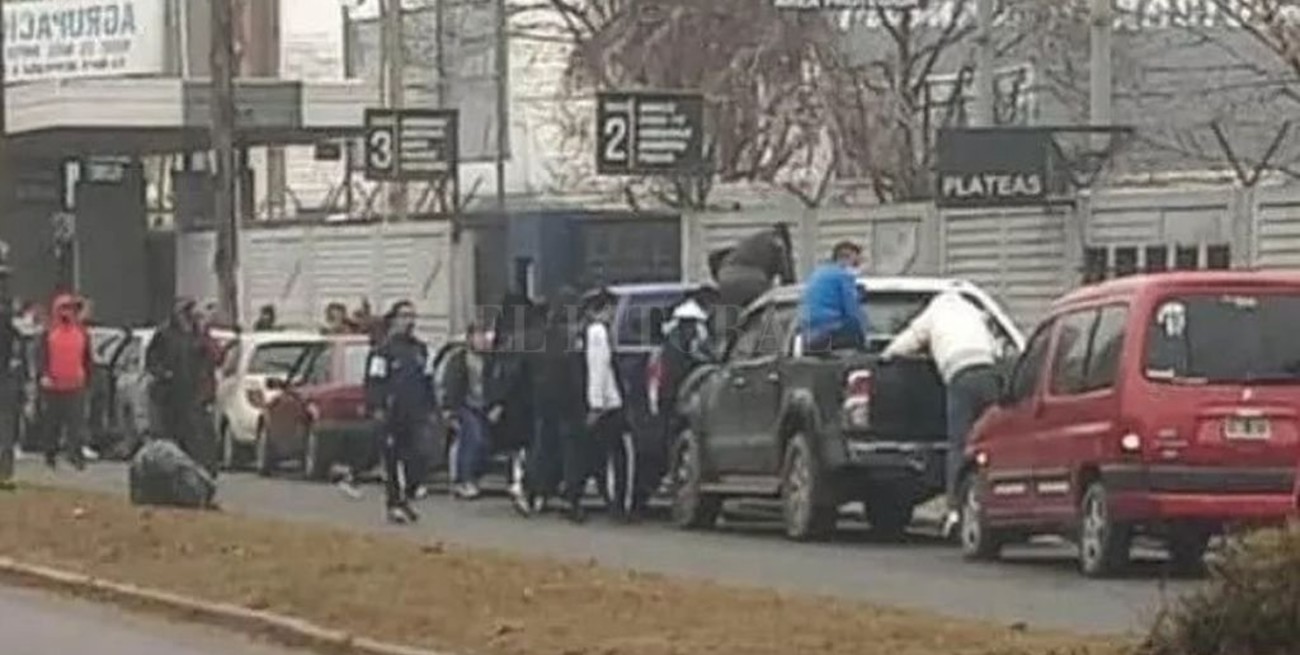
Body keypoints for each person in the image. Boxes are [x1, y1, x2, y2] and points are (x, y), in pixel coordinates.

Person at [880, 290, 1001, 538]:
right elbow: (996, 348)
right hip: (989, 374)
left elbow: (910, 340)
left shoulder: (934, 313)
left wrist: (886, 354)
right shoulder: (973, 313)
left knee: (959, 445)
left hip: (960, 377)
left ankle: (955, 511)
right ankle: (994, 502)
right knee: (990, 441)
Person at [365, 300, 435, 524]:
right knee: (394, 460)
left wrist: (432, 408)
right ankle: (395, 503)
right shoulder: (383, 351)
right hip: (392, 414)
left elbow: (428, 381)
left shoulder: (420, 349)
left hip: (416, 413)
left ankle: (408, 495)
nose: (409, 321)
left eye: (412, 316)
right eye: (404, 316)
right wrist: (377, 407)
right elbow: (374, 382)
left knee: (419, 457)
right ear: (394, 319)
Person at [576, 288, 637, 523]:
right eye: (611, 309)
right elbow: (598, 368)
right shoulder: (598, 333)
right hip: (609, 404)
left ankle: (606, 499)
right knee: (617, 456)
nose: (613, 314)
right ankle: (617, 503)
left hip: (605, 402)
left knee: (600, 454)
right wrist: (597, 404)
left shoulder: (592, 332)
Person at [146, 299, 215, 474]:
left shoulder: (197, 334)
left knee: (195, 434)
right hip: (169, 394)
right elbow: (152, 360)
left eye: (190, 311)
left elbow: (210, 360)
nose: (187, 316)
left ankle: (199, 468)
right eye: (184, 311)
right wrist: (163, 373)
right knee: (170, 433)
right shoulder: (164, 333)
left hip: (193, 393)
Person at [35, 294, 93, 470]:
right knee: (52, 424)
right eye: (63, 308)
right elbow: (41, 357)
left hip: (75, 386)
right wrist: (43, 375)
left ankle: (75, 455)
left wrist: (88, 378)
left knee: (75, 424)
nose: (66, 312)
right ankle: (50, 454)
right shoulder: (48, 333)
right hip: (53, 386)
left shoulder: (82, 333)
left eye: (70, 308)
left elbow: (87, 358)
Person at [442, 323, 500, 501]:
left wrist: (495, 405)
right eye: (478, 336)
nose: (482, 340)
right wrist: (449, 409)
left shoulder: (490, 361)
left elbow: (494, 385)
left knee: (485, 443)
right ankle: (463, 480)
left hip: (483, 406)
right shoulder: (459, 359)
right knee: (473, 438)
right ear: (470, 338)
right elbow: (451, 384)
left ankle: (474, 477)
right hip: (464, 406)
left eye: (484, 336)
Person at [800, 241, 867, 352]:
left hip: (809, 335)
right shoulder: (843, 275)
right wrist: (864, 336)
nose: (857, 267)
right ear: (845, 258)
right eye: (855, 263)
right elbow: (852, 311)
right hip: (831, 332)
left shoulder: (818, 273)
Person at [0, 275, 19, 490]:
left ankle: (5, 472)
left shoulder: (6, 316)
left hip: (4, 376)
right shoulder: (7, 316)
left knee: (5, 425)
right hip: (5, 375)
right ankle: (5, 473)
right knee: (5, 426)